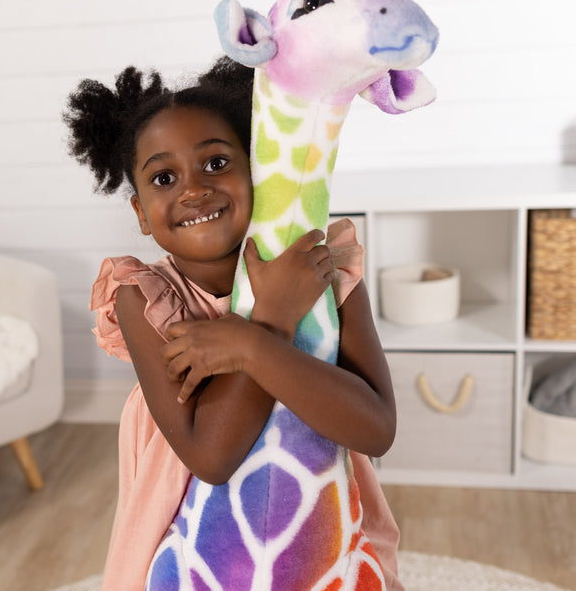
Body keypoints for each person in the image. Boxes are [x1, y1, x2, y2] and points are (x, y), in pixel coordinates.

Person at [64, 58, 403, 591]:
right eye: (164, 177)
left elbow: (377, 430)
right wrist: (270, 319)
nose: (194, 189)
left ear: (257, 173)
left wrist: (250, 342)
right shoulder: (143, 298)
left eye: (217, 163)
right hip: (193, 524)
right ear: (141, 215)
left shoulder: (323, 263)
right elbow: (211, 457)